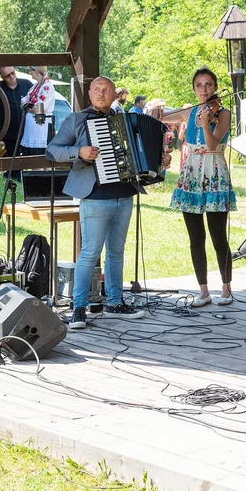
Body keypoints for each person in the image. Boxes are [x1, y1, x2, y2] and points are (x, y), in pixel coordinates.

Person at [46, 76, 158, 330]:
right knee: (90, 252)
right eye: (97, 89)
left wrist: (158, 158)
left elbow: (142, 151)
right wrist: (80, 152)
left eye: (106, 90)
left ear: (113, 95)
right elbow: (52, 150)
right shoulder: (77, 119)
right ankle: (78, 307)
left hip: (125, 193)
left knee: (117, 251)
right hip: (95, 196)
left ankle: (115, 302)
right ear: (89, 93)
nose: (101, 93)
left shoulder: (126, 121)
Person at [165, 68, 237, 305]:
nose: (204, 89)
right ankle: (203, 291)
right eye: (199, 85)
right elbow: (164, 117)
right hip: (192, 173)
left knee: (218, 236)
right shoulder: (189, 111)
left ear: (215, 87)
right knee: (195, 237)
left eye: (208, 85)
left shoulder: (224, 113)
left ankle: (226, 287)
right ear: (194, 89)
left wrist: (206, 124)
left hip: (214, 171)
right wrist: (156, 113)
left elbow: (212, 143)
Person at [0, 66, 33, 157]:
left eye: (13, 73)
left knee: (30, 158)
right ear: (2, 77)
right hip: (9, 131)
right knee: (13, 158)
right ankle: (14, 171)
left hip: (28, 129)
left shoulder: (26, 84)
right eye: (7, 76)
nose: (12, 77)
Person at [19, 65, 54, 156]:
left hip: (41, 126)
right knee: (32, 156)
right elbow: (23, 101)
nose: (30, 72)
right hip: (32, 127)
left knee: (41, 157)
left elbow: (40, 108)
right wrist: (29, 107)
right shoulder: (35, 86)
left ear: (36, 71)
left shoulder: (47, 87)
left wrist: (27, 107)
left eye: (31, 70)